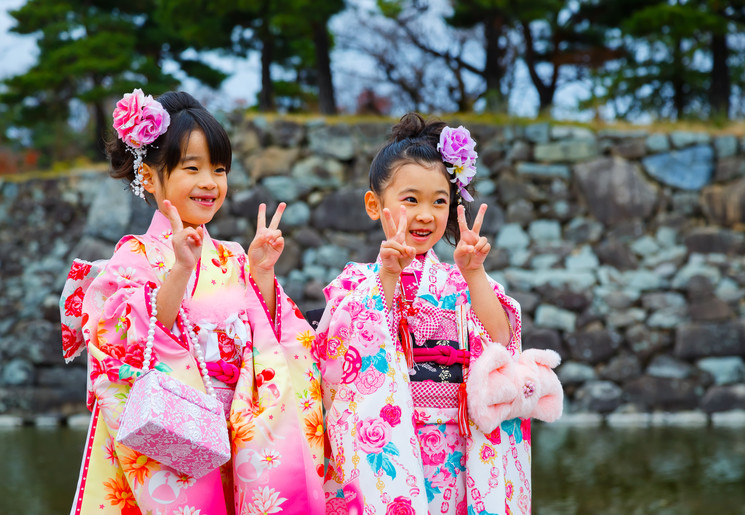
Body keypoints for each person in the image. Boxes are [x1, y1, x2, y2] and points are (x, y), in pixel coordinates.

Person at [59, 89, 324, 515]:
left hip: (238, 432)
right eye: (192, 167)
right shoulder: (135, 256)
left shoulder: (233, 255)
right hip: (173, 430)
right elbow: (129, 346)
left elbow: (279, 340)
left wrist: (261, 274)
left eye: (219, 170)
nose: (209, 183)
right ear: (149, 176)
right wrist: (180, 270)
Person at [316, 113, 563, 514]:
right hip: (398, 436)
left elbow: (503, 340)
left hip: (460, 445)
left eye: (439, 201)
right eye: (410, 199)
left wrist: (475, 273)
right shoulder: (359, 280)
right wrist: (387, 277)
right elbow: (336, 354)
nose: (426, 214)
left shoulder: (460, 279)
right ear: (374, 205)